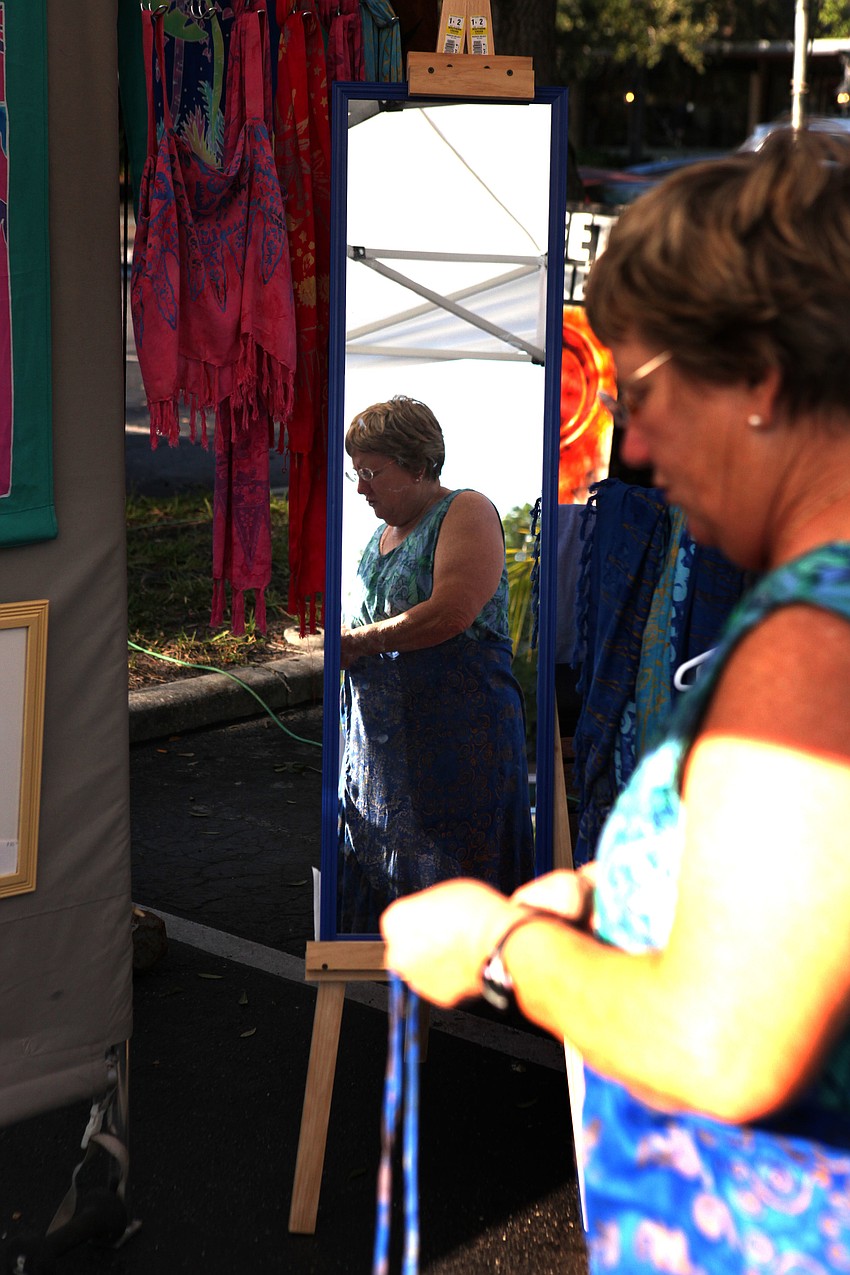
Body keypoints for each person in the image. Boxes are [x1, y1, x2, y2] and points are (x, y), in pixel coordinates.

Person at [381, 129, 850, 1272]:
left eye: (643, 396)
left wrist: (502, 944)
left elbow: (726, 1040)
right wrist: (607, 884)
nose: (629, 445)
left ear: (757, 380)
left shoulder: (809, 644)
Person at [338, 395, 535, 932]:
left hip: (457, 740)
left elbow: (451, 611)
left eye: (374, 472)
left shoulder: (465, 510)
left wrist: (357, 644)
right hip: (386, 748)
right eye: (357, 473)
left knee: (458, 878)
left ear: (420, 465)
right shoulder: (378, 536)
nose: (361, 488)